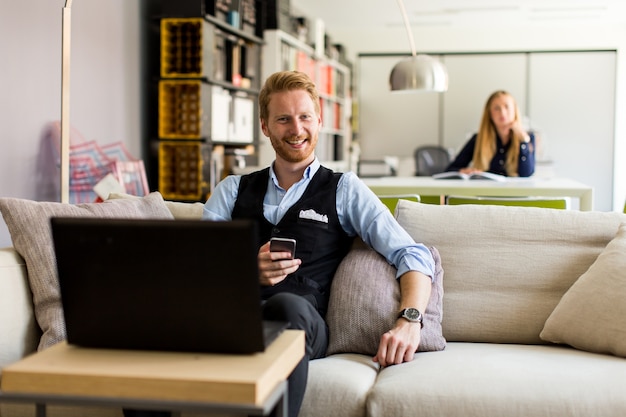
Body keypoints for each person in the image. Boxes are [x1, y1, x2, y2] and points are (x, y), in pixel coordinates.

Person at [202, 70, 435, 417]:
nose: (296, 129)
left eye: (304, 117)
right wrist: (244, 269)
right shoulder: (233, 189)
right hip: (234, 315)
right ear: (265, 126)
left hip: (302, 320)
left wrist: (410, 320)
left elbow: (410, 253)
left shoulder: (344, 189)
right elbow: (194, 263)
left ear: (319, 121)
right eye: (283, 119)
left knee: (287, 307)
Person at [446, 90, 535, 177]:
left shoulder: (528, 138)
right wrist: (464, 171)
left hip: (512, 191)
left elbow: (526, 173)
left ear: (514, 110)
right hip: (486, 191)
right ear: (489, 113)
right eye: (497, 108)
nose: (502, 113)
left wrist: (524, 141)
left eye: (507, 107)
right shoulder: (478, 139)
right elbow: (450, 170)